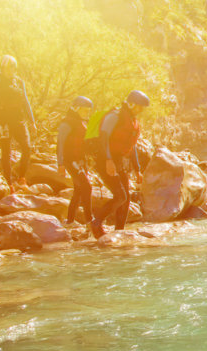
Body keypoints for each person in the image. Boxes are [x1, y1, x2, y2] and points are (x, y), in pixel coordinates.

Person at [90, 90, 149, 239]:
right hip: (105, 159)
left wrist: (137, 170)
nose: (140, 110)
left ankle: (119, 231)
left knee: (126, 198)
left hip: (119, 162)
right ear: (131, 104)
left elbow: (132, 147)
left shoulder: (133, 121)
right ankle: (96, 223)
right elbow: (103, 139)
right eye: (139, 107)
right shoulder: (114, 117)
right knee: (120, 196)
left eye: (142, 108)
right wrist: (109, 160)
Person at [0, 55, 36, 190]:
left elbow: (25, 101)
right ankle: (9, 182)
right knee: (6, 150)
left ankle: (21, 177)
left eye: (12, 68)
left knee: (27, 146)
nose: (9, 71)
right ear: (2, 68)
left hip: (18, 119)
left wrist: (32, 121)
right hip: (2, 120)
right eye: (6, 68)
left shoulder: (18, 82)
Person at [57, 96, 94, 225]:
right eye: (84, 111)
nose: (87, 113)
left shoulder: (82, 122)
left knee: (78, 191)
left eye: (88, 111)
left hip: (81, 161)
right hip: (70, 160)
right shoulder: (66, 123)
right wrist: (60, 164)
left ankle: (70, 221)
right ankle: (90, 221)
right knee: (87, 187)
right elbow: (60, 144)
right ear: (76, 108)